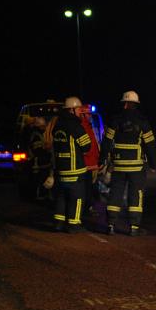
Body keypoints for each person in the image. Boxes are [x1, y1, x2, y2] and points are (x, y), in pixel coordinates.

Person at [101, 90, 156, 236]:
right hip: (136, 167)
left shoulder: (115, 120)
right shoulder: (143, 121)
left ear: (124, 103)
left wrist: (102, 160)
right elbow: (150, 145)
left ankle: (111, 224)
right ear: (136, 104)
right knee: (135, 195)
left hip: (119, 165)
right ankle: (134, 227)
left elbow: (106, 142)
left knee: (115, 194)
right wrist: (152, 164)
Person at [51, 97, 92, 233]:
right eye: (79, 109)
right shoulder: (75, 126)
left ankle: (58, 223)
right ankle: (73, 225)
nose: (80, 112)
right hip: (75, 170)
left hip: (61, 170)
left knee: (61, 197)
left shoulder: (57, 126)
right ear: (72, 110)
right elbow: (87, 146)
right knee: (77, 197)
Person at [76, 105, 100, 212]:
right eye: (88, 114)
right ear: (83, 115)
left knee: (89, 187)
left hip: (91, 163)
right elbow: (86, 148)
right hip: (86, 164)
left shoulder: (88, 126)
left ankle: (88, 206)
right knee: (86, 188)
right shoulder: (82, 127)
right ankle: (86, 207)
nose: (90, 116)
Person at [28, 117, 51, 200]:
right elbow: (38, 150)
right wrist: (47, 149)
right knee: (40, 179)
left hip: (39, 162)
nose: (45, 128)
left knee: (41, 179)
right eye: (44, 126)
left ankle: (41, 195)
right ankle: (39, 196)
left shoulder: (37, 134)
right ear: (40, 126)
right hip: (38, 163)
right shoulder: (36, 135)